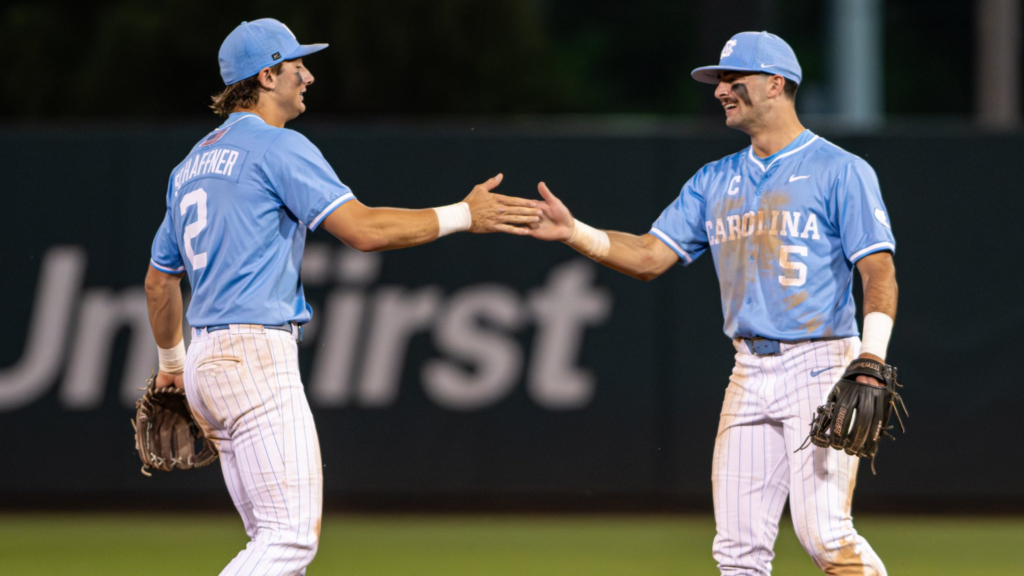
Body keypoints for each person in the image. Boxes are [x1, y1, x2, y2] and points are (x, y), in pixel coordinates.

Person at [143, 18, 540, 575]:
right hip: (256, 355)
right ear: (266, 75)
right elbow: (364, 230)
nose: (307, 75)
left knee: (274, 546)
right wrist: (462, 215)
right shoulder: (278, 147)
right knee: (289, 541)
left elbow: (160, 280)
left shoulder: (188, 168)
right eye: (297, 64)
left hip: (206, 360)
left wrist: (172, 366)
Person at [523, 31, 896, 575]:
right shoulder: (713, 180)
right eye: (718, 80)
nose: (721, 90)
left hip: (821, 363)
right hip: (749, 368)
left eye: (733, 78)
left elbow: (878, 269)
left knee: (824, 536)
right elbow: (650, 257)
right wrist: (575, 231)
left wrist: (872, 358)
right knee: (737, 552)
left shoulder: (840, 170)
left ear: (776, 84)